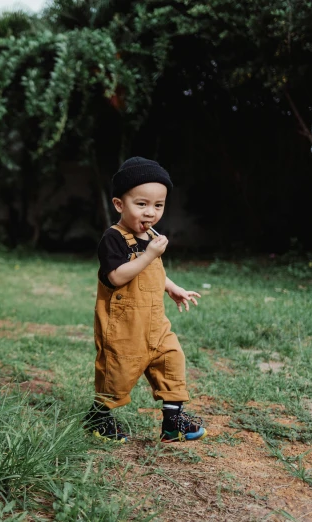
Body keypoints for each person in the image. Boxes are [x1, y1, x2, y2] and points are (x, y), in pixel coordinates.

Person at [85, 157, 207, 443]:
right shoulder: (113, 239)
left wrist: (172, 287)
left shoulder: (149, 236)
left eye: (158, 205)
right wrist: (149, 254)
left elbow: (151, 272)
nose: (151, 213)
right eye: (141, 204)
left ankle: (173, 422)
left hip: (154, 323)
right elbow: (117, 277)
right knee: (118, 373)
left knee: (172, 361)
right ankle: (98, 417)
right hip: (123, 327)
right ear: (119, 205)